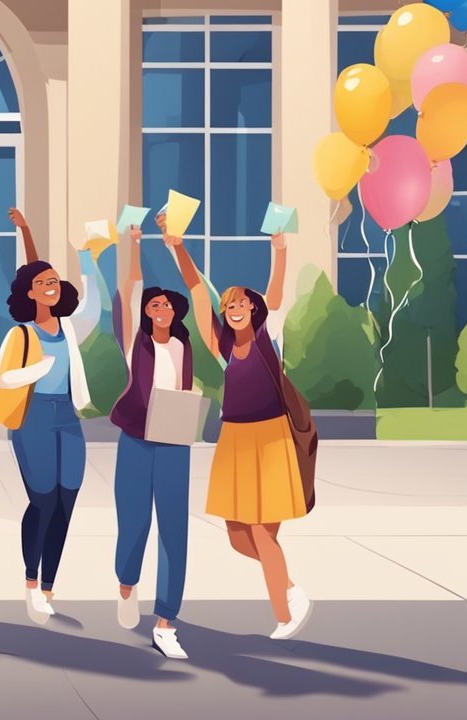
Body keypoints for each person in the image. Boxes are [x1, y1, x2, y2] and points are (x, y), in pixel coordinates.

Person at [165, 224, 312, 640]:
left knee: (264, 534)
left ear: (255, 309)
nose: (235, 307)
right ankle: (290, 588)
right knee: (236, 535)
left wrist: (280, 249)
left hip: (270, 439)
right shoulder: (224, 346)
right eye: (230, 304)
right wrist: (180, 250)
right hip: (234, 440)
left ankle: (284, 615)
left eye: (243, 303)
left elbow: (277, 291)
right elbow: (195, 289)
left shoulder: (269, 336)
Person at [0, 245, 100, 625]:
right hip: (33, 416)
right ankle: (30, 581)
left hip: (68, 417)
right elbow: (1, 378)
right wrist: (35, 371)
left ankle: (49, 586)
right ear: (29, 292)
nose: (51, 286)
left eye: (54, 280)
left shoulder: (69, 328)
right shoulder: (20, 335)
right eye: (42, 282)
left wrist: (88, 258)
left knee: (66, 502)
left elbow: (94, 306)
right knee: (43, 502)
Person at [108, 222, 194, 660]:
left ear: (175, 312)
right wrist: (136, 245)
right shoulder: (134, 344)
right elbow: (131, 286)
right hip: (137, 443)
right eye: (153, 305)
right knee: (135, 522)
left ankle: (166, 620)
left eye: (166, 305)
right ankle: (126, 582)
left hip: (175, 444)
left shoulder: (183, 347)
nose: (160, 309)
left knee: (174, 532)